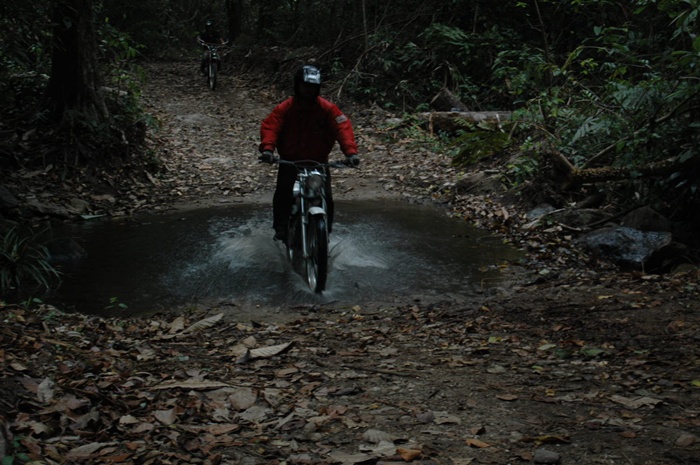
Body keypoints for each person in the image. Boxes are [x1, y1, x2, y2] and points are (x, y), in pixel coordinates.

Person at [258, 65, 360, 243]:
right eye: (305, 86)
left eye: (312, 87)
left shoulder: (328, 109)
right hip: (290, 161)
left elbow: (342, 127)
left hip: (318, 162)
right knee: (283, 193)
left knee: (326, 197)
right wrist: (268, 149)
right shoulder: (285, 108)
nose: (308, 90)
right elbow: (271, 127)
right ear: (297, 85)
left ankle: (325, 233)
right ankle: (280, 228)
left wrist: (350, 153)